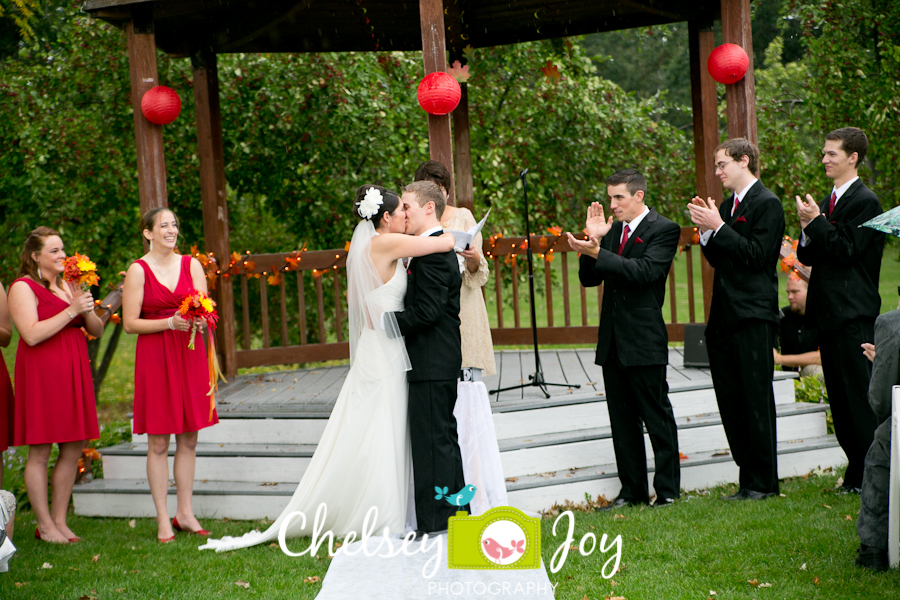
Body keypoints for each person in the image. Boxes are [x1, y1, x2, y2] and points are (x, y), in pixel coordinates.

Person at [201, 185, 454, 552]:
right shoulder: (384, 244)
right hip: (383, 350)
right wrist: (456, 236)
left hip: (385, 344)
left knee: (386, 427)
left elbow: (372, 303)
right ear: (385, 218)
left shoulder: (376, 247)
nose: (405, 217)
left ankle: (393, 510)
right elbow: (438, 244)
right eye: (401, 211)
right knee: (381, 427)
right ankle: (382, 514)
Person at [566, 169, 682, 509]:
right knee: (622, 422)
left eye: (618, 197)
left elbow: (645, 272)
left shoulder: (664, 229)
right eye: (610, 196)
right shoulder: (611, 231)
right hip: (613, 341)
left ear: (639, 196)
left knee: (657, 417)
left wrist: (599, 252)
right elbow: (590, 279)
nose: (612, 204)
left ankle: (668, 492)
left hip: (644, 340)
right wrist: (594, 243)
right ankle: (631, 491)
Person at [687, 138, 785, 500]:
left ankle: (764, 482)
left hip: (754, 314)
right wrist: (708, 232)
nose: (717, 172)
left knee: (755, 398)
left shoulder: (768, 204)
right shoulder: (728, 206)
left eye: (722, 164)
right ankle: (748, 479)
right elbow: (722, 260)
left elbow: (758, 257)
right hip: (725, 315)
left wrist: (720, 227)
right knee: (730, 398)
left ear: (744, 161)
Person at [414, 160, 506, 514]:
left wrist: (471, 258)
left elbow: (479, 274)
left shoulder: (464, 217)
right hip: (431, 311)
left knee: (466, 395)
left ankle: (475, 486)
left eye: (441, 191)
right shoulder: (413, 219)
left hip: (463, 309)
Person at [796, 127, 884, 495]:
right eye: (824, 153)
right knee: (840, 402)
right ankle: (855, 472)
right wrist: (806, 227)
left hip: (853, 313)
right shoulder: (829, 201)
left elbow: (847, 250)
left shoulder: (866, 202)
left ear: (853, 158)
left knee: (858, 400)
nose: (825, 159)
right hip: (829, 313)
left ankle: (871, 475)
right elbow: (808, 255)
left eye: (832, 153)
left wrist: (816, 222)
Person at [122, 208, 220, 542]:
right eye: (163, 225)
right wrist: (168, 323)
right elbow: (129, 323)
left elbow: (206, 309)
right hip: (155, 356)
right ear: (147, 233)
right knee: (159, 441)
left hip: (189, 353)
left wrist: (200, 319)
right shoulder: (138, 271)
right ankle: (163, 518)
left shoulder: (192, 265)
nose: (171, 230)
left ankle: (185, 513)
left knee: (190, 437)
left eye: (174, 224)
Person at [8, 227, 103, 544]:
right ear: (35, 256)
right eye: (55, 251)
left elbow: (97, 330)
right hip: (43, 374)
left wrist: (84, 307)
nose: (63, 255)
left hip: (74, 371)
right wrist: (71, 310)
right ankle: (44, 524)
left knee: (73, 445)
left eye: (63, 249)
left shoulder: (68, 285)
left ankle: (60, 521)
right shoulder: (23, 287)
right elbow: (31, 334)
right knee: (41, 449)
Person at [393, 180, 468, 536]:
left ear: (428, 208)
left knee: (433, 443)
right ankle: (455, 517)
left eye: (406, 206)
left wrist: (387, 323)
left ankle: (439, 524)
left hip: (432, 359)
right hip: (433, 359)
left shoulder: (435, 253)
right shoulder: (429, 249)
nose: (401, 213)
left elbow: (428, 311)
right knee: (440, 438)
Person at [854, 306, 898, 572]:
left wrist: (883, 360)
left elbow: (882, 402)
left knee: (883, 446)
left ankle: (873, 546)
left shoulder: (892, 324)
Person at [774, 273, 823, 378]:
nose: (790, 297)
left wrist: (780, 359)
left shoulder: (822, 316)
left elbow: (822, 357)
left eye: (795, 292)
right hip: (787, 375)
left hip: (813, 374)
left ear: (810, 291)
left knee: (813, 371)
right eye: (788, 292)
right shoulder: (783, 316)